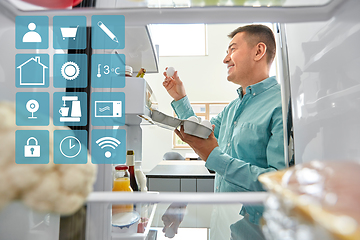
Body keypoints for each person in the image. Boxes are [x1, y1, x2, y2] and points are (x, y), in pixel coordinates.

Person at [162, 24, 286, 236]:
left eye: (232, 49)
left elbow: (277, 186)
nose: (225, 58)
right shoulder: (232, 108)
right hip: (221, 226)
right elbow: (199, 131)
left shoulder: (281, 105)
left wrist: (214, 156)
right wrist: (180, 98)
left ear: (259, 51)